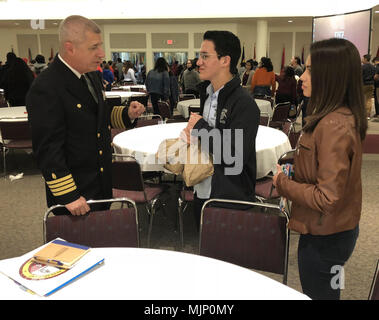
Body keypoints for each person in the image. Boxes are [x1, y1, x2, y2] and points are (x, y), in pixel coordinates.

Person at [273, 38, 367, 300]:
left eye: (311, 70)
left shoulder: (333, 124)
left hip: (326, 235)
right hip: (333, 230)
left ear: (332, 76)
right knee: (328, 290)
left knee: (321, 293)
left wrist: (282, 183)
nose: (302, 77)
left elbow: (327, 197)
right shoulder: (338, 116)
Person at [26, 15, 145, 216]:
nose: (102, 53)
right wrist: (68, 196)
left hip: (100, 183)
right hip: (75, 193)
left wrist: (127, 114)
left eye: (100, 45)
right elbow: (48, 149)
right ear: (70, 47)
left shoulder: (91, 75)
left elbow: (97, 116)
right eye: (93, 47)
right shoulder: (47, 86)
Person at [182, 30, 260, 228]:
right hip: (203, 189)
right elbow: (209, 140)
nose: (198, 61)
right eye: (200, 56)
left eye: (205, 56)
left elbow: (234, 155)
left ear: (225, 60)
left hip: (229, 199)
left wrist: (200, 127)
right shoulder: (207, 94)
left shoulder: (244, 104)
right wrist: (193, 136)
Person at [361, 54, 376, 119]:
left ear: (365, 59)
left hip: (364, 85)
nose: (362, 60)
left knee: (362, 99)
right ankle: (368, 115)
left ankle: (362, 114)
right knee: (369, 99)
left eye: (362, 58)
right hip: (371, 84)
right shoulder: (373, 67)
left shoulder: (363, 67)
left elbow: (360, 76)